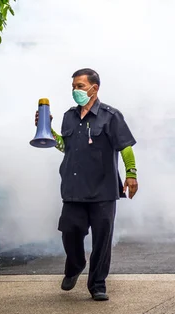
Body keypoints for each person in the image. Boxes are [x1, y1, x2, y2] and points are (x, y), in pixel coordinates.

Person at [35, 68, 139, 301]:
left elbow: (126, 146)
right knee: (69, 233)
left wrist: (131, 173)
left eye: (80, 86)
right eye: (73, 86)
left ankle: (98, 284)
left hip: (103, 189)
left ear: (95, 88)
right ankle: (75, 265)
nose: (76, 91)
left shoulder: (111, 116)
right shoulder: (68, 116)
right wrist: (47, 130)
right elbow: (65, 146)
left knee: (102, 240)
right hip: (73, 189)